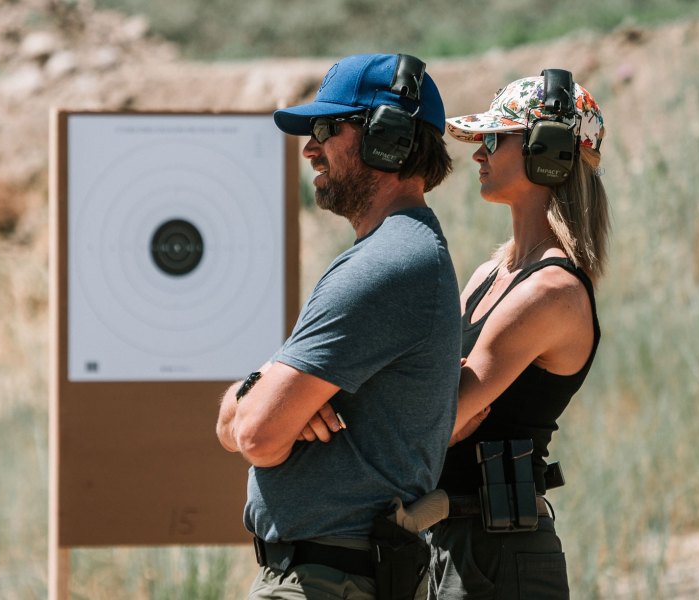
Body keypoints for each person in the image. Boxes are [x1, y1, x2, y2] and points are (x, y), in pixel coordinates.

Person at [216, 53, 460, 599]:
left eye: (327, 129)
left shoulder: (387, 264)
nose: (310, 148)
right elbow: (239, 425)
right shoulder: (396, 255)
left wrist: (268, 404)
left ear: (387, 138)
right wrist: (264, 392)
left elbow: (253, 434)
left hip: (328, 580)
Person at [427, 71, 609, 599]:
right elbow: (432, 394)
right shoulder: (493, 272)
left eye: (494, 138)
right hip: (454, 538)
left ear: (545, 152)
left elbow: (443, 412)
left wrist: (439, 414)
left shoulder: (550, 289)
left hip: (496, 554)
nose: (479, 154)